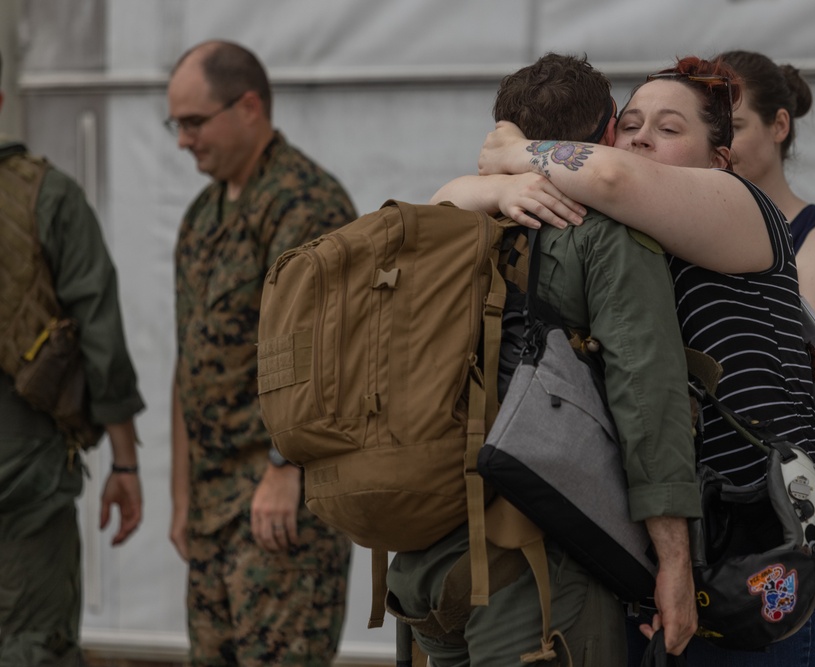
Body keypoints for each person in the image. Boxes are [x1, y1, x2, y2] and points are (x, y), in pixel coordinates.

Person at [444, 55, 815, 667]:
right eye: (632, 122)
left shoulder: (739, 202)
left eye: (669, 129)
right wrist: (494, 187)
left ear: (719, 157)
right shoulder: (613, 230)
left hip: (771, 529)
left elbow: (611, 177)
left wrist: (517, 148)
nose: (642, 136)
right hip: (688, 530)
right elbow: (438, 208)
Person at [388, 53, 702, 666]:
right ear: (610, 130)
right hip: (534, 562)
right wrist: (674, 561)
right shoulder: (604, 234)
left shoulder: (446, 225)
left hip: (424, 558)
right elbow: (647, 397)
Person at [166, 40, 356, 666]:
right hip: (216, 506)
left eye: (194, 122)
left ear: (248, 107)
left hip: (279, 505)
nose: (183, 140)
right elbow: (190, 358)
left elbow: (330, 350)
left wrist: (284, 466)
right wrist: (183, 493)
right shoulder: (203, 215)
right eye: (176, 124)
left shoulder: (305, 203)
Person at [0, 49, 145, 666]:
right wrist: (125, 463)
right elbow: (100, 336)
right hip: (24, 463)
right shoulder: (46, 195)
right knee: (34, 644)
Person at [721, 49, 815, 355]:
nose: (719, 143)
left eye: (734, 127)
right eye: (709, 127)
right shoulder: (685, 223)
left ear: (780, 126)